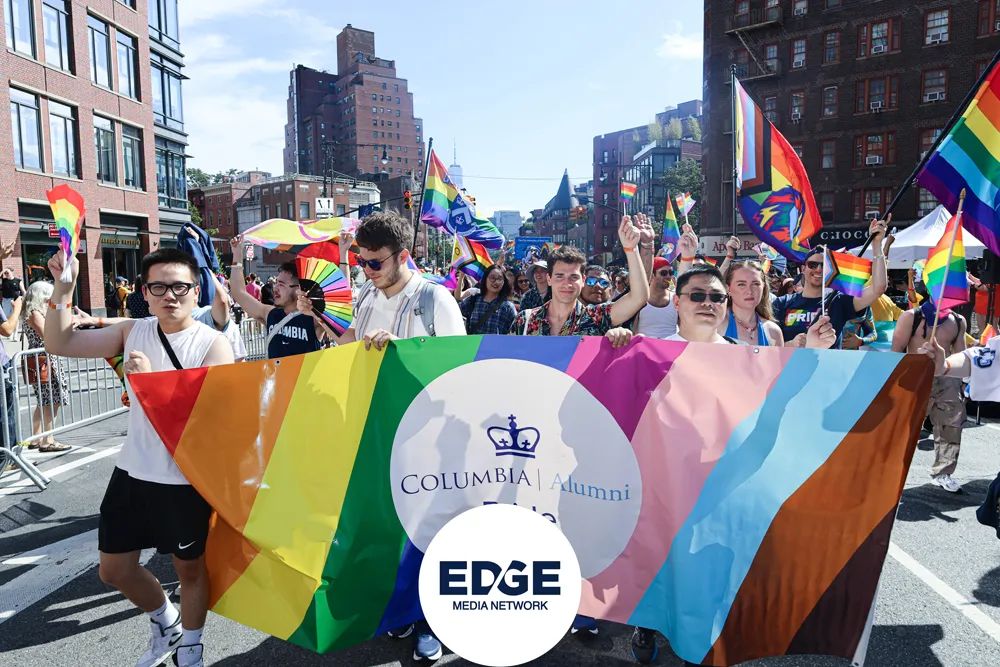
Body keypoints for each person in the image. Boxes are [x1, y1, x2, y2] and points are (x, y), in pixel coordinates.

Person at [44, 248, 233, 667]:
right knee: (113, 570)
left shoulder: (214, 344)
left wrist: (151, 382)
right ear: (144, 293)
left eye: (180, 287)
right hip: (132, 472)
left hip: (185, 479)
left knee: (190, 571)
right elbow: (60, 342)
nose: (170, 296)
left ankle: (191, 649)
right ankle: (167, 622)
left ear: (195, 290)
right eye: (158, 287)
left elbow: (211, 416)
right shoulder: (133, 330)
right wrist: (64, 288)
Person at [340, 211, 465, 661]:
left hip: (427, 437)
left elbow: (457, 369)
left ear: (403, 256)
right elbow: (352, 343)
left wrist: (401, 351)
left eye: (375, 262)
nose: (367, 270)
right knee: (389, 526)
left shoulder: (435, 300)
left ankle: (432, 621)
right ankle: (401, 609)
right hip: (377, 430)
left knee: (427, 530)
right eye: (361, 261)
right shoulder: (365, 294)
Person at [509, 218, 649, 338]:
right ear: (549, 279)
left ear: (583, 280)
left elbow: (639, 298)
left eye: (573, 277)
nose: (567, 283)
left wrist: (631, 249)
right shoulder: (525, 320)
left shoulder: (596, 317)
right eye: (559, 276)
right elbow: (509, 358)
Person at [771, 218, 889, 347]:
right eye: (812, 265)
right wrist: (790, 345)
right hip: (792, 360)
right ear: (803, 269)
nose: (818, 269)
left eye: (824, 265)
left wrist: (877, 244)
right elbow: (767, 344)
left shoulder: (838, 301)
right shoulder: (782, 303)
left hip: (829, 360)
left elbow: (878, 288)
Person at [893, 300, 967, 493]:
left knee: (950, 426)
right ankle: (891, 469)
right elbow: (896, 351)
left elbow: (961, 355)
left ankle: (943, 473)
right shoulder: (911, 317)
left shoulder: (958, 320)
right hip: (915, 377)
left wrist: (962, 384)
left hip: (946, 379)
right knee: (904, 428)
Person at [228, 237, 328, 359]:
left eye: (281, 284)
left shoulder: (314, 318)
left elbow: (340, 308)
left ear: (299, 289)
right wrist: (237, 254)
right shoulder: (270, 314)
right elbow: (238, 293)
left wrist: (343, 256)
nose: (275, 288)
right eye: (276, 283)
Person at [21, 281, 70, 452]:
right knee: (51, 401)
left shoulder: (32, 312)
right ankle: (47, 440)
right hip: (45, 359)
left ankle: (37, 437)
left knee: (44, 401)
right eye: (48, 296)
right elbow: (47, 335)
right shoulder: (35, 313)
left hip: (41, 359)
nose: (50, 300)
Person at [720, 260, 783, 346]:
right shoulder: (716, 325)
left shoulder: (773, 332)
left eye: (755, 284)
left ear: (763, 287)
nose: (749, 291)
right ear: (728, 289)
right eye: (741, 284)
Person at [459, 265, 518, 335]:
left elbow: (515, 333)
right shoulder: (472, 300)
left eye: (500, 279)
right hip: (473, 342)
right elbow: (455, 317)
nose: (496, 282)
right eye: (492, 278)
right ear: (485, 279)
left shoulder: (508, 307)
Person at [633, 257, 678, 339]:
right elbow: (633, 330)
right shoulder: (640, 299)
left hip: (671, 346)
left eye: (671, 272)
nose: (668, 276)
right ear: (652, 275)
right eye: (663, 273)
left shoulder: (676, 299)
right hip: (644, 346)